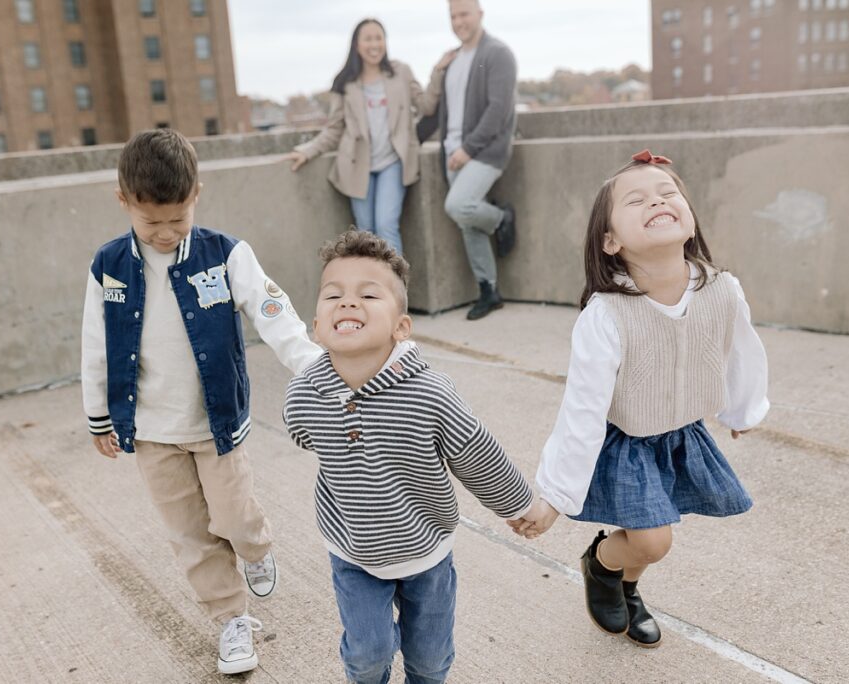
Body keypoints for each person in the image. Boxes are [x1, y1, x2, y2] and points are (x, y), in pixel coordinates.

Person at [80, 129, 322, 674]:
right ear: (124, 202)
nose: (165, 233)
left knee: (233, 518)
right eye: (151, 222)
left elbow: (271, 310)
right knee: (189, 534)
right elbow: (94, 344)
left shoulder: (226, 254)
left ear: (196, 196)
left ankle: (255, 549)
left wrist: (312, 365)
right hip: (150, 431)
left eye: (177, 219)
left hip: (215, 425)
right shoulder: (108, 266)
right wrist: (100, 415)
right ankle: (231, 619)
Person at [512, 150, 769, 648]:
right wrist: (555, 498)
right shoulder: (606, 315)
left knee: (650, 543)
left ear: (689, 219)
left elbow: (742, 352)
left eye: (668, 192)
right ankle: (603, 567)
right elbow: (582, 408)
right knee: (653, 540)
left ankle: (626, 585)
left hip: (679, 433)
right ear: (610, 240)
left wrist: (743, 408)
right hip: (626, 441)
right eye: (636, 200)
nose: (658, 200)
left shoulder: (723, 290)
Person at [283, 230, 533, 683]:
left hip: (426, 549)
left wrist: (519, 505)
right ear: (317, 327)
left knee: (430, 659)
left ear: (401, 327)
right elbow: (303, 434)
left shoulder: (429, 393)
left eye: (368, 294)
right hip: (353, 549)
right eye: (332, 295)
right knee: (368, 655)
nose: (347, 303)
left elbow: (476, 453)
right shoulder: (304, 395)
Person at [286, 18, 455, 256]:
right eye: (368, 39)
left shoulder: (401, 72)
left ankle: (396, 291)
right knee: (365, 233)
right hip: (357, 166)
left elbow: (426, 106)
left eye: (379, 38)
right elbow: (334, 128)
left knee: (387, 226)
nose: (374, 44)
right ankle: (372, 292)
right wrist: (307, 150)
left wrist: (438, 72)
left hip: (393, 162)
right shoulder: (345, 83)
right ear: (357, 45)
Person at [439, 0, 518, 320]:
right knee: (466, 221)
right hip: (451, 151)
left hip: (483, 151)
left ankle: (501, 219)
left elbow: (498, 110)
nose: (459, 21)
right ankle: (489, 290)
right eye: (453, 16)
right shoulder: (453, 59)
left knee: (458, 206)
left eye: (464, 14)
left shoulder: (497, 53)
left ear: (480, 14)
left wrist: (468, 149)